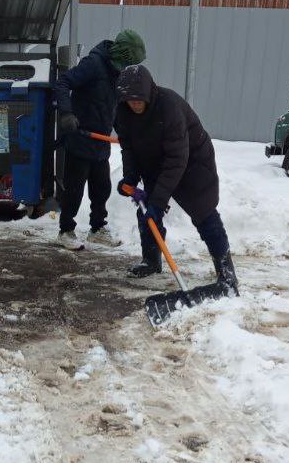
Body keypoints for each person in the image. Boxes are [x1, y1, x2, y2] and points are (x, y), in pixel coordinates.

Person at [114, 64, 238, 294]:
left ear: (149, 93)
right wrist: (130, 177)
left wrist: (159, 203)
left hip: (192, 161)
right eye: (130, 101)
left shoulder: (168, 107)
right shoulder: (123, 112)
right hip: (155, 162)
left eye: (139, 100)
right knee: (146, 212)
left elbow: (176, 159)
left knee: (204, 213)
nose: (135, 105)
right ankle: (151, 261)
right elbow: (128, 147)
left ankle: (227, 275)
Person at [54, 29, 146, 250]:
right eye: (126, 63)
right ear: (119, 55)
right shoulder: (93, 65)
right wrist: (66, 113)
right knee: (74, 190)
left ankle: (97, 229)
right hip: (80, 137)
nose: (127, 69)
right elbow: (63, 83)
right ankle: (66, 231)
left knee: (101, 188)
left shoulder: (118, 74)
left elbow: (111, 108)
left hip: (100, 140)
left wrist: (125, 133)